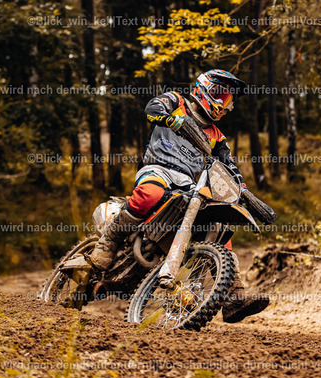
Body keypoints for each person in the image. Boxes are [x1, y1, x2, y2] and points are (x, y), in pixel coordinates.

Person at [89, 69, 270, 323]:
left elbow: (229, 167)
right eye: (220, 94)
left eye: (228, 99)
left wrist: (246, 193)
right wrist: (172, 119)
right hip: (158, 169)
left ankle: (233, 295)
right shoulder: (177, 101)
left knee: (219, 226)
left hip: (188, 185)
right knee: (151, 193)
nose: (223, 102)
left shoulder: (217, 136)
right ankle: (109, 240)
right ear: (204, 88)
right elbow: (152, 108)